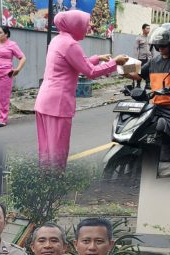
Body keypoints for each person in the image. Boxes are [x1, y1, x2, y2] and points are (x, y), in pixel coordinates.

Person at [35, 11, 129, 169]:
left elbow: (75, 63)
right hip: (58, 105)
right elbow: (90, 72)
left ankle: (45, 187)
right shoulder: (71, 44)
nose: (88, 28)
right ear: (75, 25)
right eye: (85, 25)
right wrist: (115, 62)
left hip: (44, 102)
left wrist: (97, 58)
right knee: (58, 153)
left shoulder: (58, 40)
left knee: (46, 152)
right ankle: (56, 188)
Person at [125, 23, 170, 187]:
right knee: (142, 135)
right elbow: (137, 75)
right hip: (155, 105)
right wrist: (119, 66)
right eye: (157, 46)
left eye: (163, 46)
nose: (160, 49)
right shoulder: (154, 61)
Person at [0, 26, 26, 127]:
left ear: (6, 34)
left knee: (3, 98)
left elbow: (22, 57)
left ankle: (2, 119)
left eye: (0, 33)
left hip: (6, 74)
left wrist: (18, 69)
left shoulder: (12, 44)